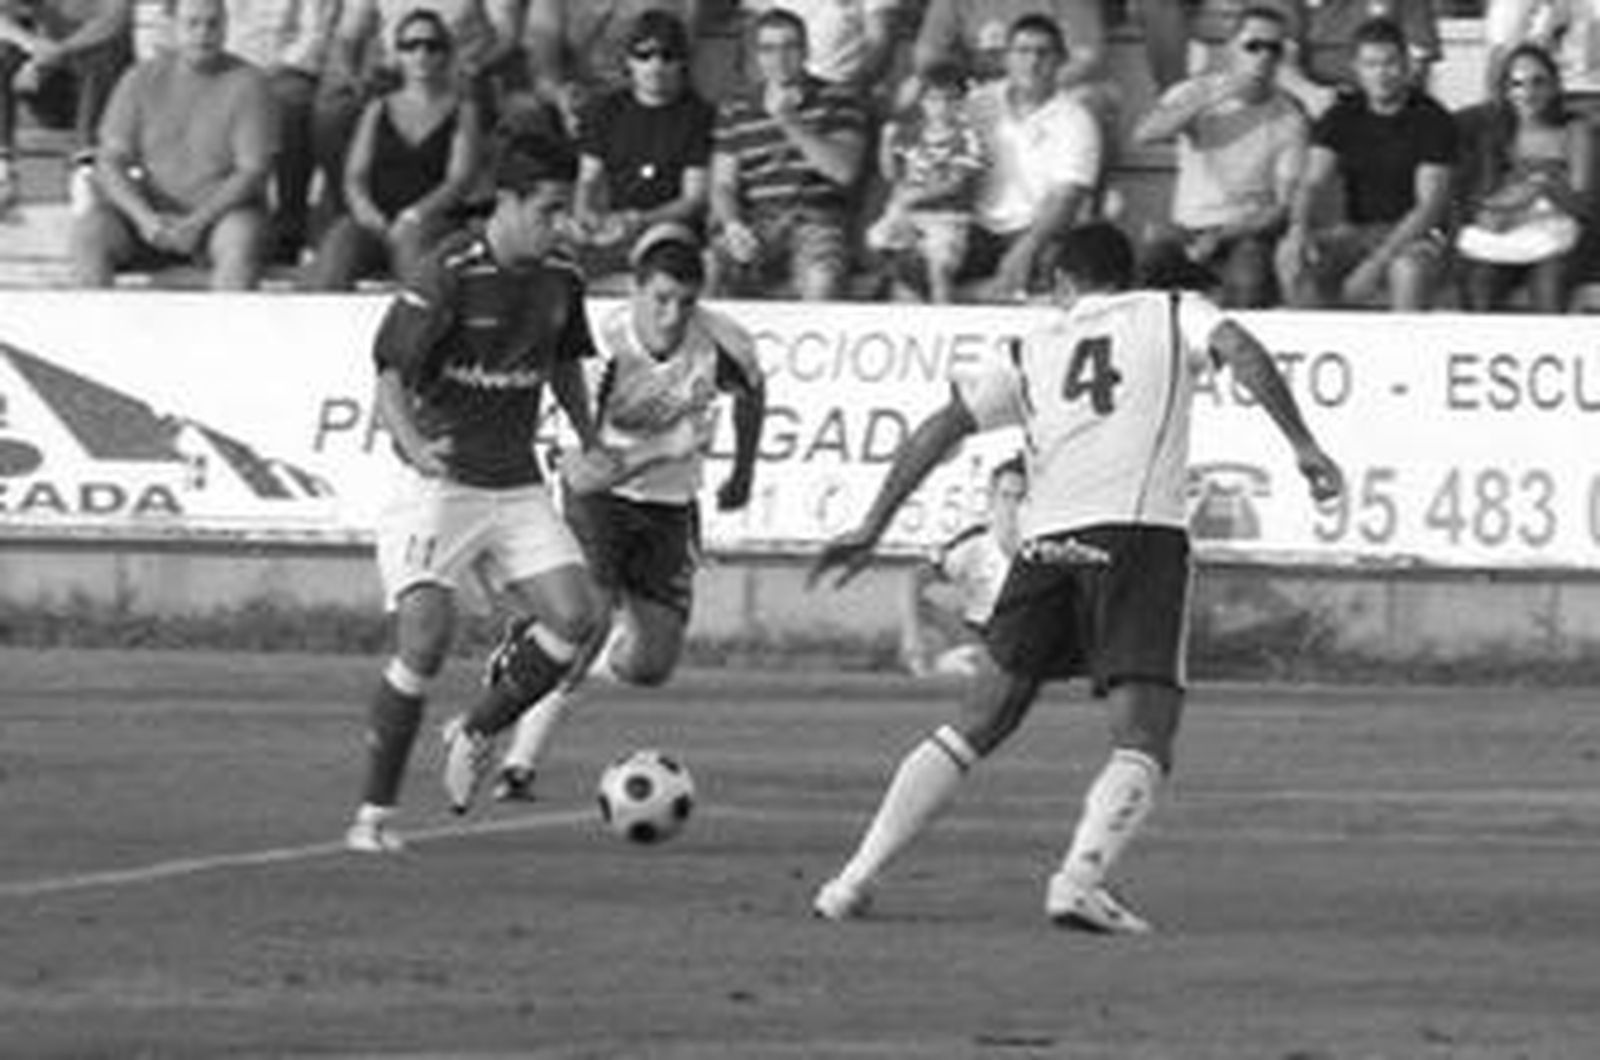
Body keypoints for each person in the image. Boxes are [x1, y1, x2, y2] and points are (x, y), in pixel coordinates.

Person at [806, 221, 1342, 931]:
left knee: (976, 721)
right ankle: (1078, 881)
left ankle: (851, 880)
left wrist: (873, 523)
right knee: (1144, 734)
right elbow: (1239, 347)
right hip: (1137, 537)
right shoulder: (1174, 309)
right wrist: (1303, 444)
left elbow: (944, 426)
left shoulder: (1034, 347)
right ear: (1132, 275)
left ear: (1062, 283)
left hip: (1047, 543)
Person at [343, 128, 609, 853]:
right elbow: (389, 373)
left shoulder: (561, 275)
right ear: (511, 202)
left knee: (576, 619)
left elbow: (563, 363)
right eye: (550, 209)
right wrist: (414, 444)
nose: (561, 224)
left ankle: (477, 727)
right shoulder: (448, 271)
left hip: (515, 483)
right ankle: (373, 817)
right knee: (425, 638)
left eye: (566, 210)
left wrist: (589, 439)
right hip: (438, 482)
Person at [490, 221, 767, 801]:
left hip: (670, 507)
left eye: (685, 302)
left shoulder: (723, 343)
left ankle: (546, 651)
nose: (672, 315)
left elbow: (753, 392)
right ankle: (518, 763)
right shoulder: (600, 344)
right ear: (637, 290)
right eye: (661, 299)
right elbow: (581, 472)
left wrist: (743, 471)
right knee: (587, 619)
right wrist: (664, 448)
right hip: (599, 500)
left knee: (651, 665)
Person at [70, 0, 277, 289]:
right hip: (150, 216)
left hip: (220, 218)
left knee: (240, 239)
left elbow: (253, 172)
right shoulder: (140, 78)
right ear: (172, 29)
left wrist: (196, 223)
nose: (203, 33)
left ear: (226, 28)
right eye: (192, 23)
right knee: (90, 233)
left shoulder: (249, 83)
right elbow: (110, 159)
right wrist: (144, 218)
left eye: (213, 24)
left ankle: (230, 329)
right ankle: (93, 328)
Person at [1132, 4, 1308, 308]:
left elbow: (1281, 207)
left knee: (1249, 268)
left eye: (1273, 49)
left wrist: (1221, 235)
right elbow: (1144, 133)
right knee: (1152, 253)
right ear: (1231, 49)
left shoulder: (1289, 118)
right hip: (1187, 228)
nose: (1263, 57)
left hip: (1244, 231)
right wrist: (1210, 99)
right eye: (1253, 46)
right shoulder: (1195, 92)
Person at [1276, 17, 1456, 310]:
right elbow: (1310, 182)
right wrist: (1298, 228)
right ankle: (1316, 347)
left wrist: (1375, 265)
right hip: (1356, 231)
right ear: (1356, 69)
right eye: (1371, 65)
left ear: (1407, 66)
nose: (1381, 74)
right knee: (1289, 255)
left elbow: (1429, 207)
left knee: (1407, 269)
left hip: (1416, 236)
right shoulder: (1342, 115)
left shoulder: (1432, 119)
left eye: (1390, 63)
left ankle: (1406, 353)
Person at [306, 9, 484, 290]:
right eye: (410, 46)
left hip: (434, 219)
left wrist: (414, 215)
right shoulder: (379, 108)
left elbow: (459, 180)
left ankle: (413, 328)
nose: (421, 54)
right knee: (341, 239)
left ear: (446, 53)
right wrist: (367, 213)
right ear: (398, 54)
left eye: (432, 45)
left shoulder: (463, 111)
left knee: (413, 245)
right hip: (378, 219)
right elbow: (355, 175)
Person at [707, 6, 867, 300]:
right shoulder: (736, 107)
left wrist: (788, 120)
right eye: (768, 49)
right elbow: (722, 184)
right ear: (757, 56)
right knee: (709, 266)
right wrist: (732, 224)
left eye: (789, 47)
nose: (779, 58)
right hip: (758, 220)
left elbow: (844, 171)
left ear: (806, 51)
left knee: (822, 278)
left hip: (818, 220)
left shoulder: (839, 98)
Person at [567, 9, 714, 292]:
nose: (655, 66)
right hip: (613, 224)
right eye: (644, 55)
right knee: (553, 250)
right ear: (628, 61)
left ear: (682, 62)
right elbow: (588, 180)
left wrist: (639, 220)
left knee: (660, 248)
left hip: (669, 228)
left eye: (667, 55)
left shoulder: (698, 116)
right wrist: (585, 215)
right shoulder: (605, 109)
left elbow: (693, 199)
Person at [959, 13, 1101, 303]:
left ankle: (972, 296)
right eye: (1022, 51)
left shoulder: (1076, 120)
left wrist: (1027, 246)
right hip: (977, 227)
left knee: (1055, 264)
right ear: (1006, 58)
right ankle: (987, 295)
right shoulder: (977, 105)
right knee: (921, 255)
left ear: (1061, 60)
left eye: (1043, 53)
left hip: (1036, 229)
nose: (1032, 62)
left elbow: (1067, 200)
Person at [1454, 41, 1593, 313]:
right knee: (1480, 279)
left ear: (1554, 86)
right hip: (1503, 236)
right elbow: (1476, 200)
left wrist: (1544, 186)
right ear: (1505, 91)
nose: (1528, 92)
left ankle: (1550, 353)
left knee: (1550, 280)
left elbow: (1584, 206)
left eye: (1538, 82)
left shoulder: (1574, 130)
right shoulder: (1492, 132)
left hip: (1560, 239)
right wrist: (1493, 213)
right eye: (1517, 84)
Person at [223, 0, 337, 263]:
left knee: (291, 105)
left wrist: (271, 71)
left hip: (287, 71)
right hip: (229, 68)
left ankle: (289, 228)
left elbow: (314, 36)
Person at [867, 59, 987, 304]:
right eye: (934, 99)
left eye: (950, 99)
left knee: (939, 269)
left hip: (947, 218)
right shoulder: (913, 134)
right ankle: (907, 283)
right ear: (922, 102)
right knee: (876, 239)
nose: (942, 106)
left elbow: (956, 183)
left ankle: (942, 324)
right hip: (910, 216)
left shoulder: (968, 137)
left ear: (962, 103)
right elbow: (891, 174)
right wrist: (885, 144)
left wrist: (917, 195)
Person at [0, 0, 131, 216]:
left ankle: (86, 168)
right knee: (3, 52)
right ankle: (3, 166)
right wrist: (32, 45)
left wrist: (58, 51)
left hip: (104, 96)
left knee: (103, 51)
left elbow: (115, 21)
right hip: (49, 88)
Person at [899, 456, 1024, 679]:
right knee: (920, 605)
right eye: (1006, 496)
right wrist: (913, 634)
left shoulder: (1047, 543)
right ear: (991, 499)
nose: (1013, 507)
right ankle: (932, 668)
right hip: (977, 637)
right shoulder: (976, 541)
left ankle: (945, 669)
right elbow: (915, 576)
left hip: (1026, 641)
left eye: (1021, 498)